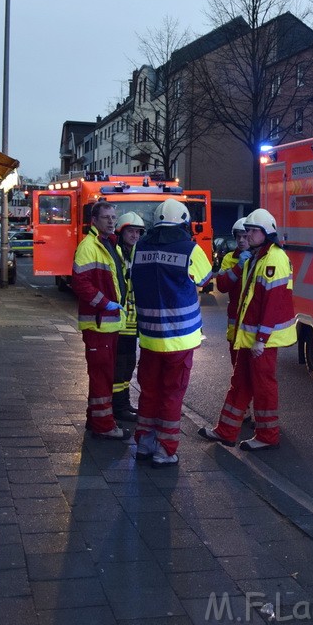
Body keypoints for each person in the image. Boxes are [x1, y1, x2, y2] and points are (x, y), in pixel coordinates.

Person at [199, 208, 296, 452]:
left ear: (266, 233)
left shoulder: (274, 259)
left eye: (253, 231)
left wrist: (261, 339)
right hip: (249, 336)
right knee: (240, 383)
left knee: (263, 386)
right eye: (248, 230)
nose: (248, 235)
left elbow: (273, 305)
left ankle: (267, 435)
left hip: (261, 340)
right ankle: (226, 430)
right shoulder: (257, 257)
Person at [130, 198, 212, 468]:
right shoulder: (190, 249)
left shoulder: (140, 247)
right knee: (172, 393)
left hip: (150, 337)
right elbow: (204, 278)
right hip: (180, 337)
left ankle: (144, 442)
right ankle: (165, 450)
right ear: (184, 221)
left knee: (149, 390)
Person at [71, 201, 130, 440]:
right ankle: (104, 426)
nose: (111, 221)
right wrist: (104, 302)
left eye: (114, 217)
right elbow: (80, 283)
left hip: (108, 322)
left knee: (103, 373)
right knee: (101, 375)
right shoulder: (90, 246)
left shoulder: (109, 244)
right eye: (106, 217)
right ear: (94, 220)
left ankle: (95, 419)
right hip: (98, 323)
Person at [215, 218, 254, 425]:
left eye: (245, 236)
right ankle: (244, 409)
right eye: (238, 236)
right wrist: (239, 267)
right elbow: (221, 286)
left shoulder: (260, 258)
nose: (241, 240)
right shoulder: (230, 259)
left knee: (255, 369)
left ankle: (255, 408)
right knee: (237, 366)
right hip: (235, 323)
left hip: (254, 324)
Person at [111, 212, 145, 423]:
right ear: (121, 232)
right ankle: (117, 406)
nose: (134, 235)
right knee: (120, 366)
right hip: (119, 320)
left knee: (128, 364)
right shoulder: (116, 253)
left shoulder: (137, 253)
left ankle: (124, 403)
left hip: (132, 322)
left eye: (137, 232)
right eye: (130, 231)